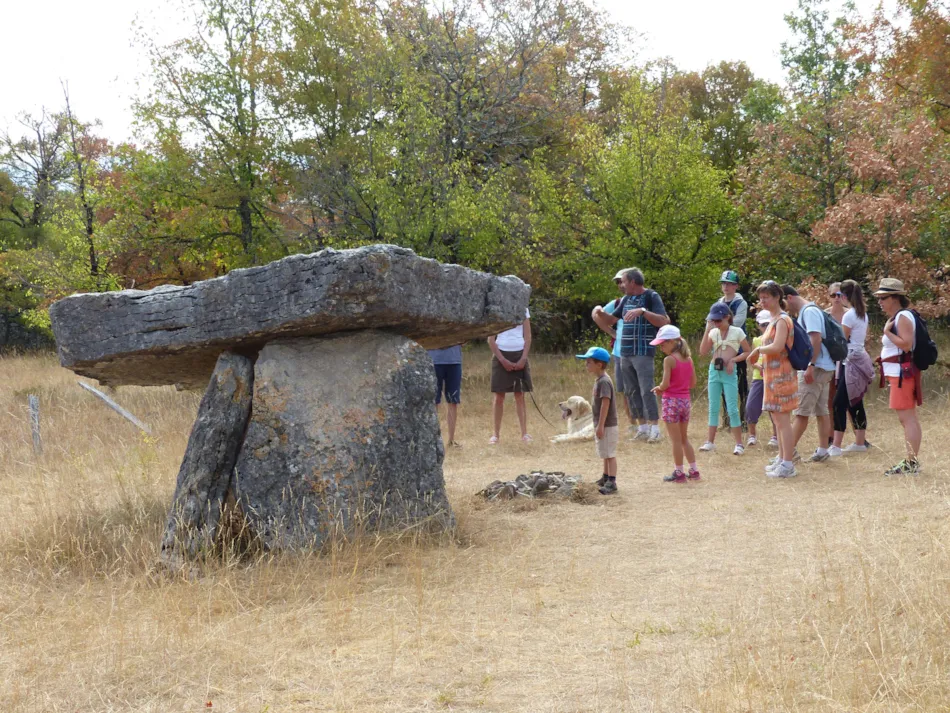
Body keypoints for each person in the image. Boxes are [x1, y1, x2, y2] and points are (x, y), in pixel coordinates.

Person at [594, 268, 670, 443]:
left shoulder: (651, 296)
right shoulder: (626, 299)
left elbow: (663, 321)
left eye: (624, 281)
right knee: (631, 391)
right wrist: (599, 312)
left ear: (633, 282)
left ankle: (655, 428)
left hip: (643, 351)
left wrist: (642, 311)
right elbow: (611, 320)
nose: (621, 285)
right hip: (625, 352)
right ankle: (642, 428)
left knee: (646, 389)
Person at [747, 281, 799, 478]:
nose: (763, 301)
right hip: (772, 376)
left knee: (783, 421)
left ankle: (788, 464)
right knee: (778, 420)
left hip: (782, 376)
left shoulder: (783, 320)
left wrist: (758, 350)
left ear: (777, 297)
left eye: (766, 297)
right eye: (761, 298)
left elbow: (778, 346)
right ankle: (782, 458)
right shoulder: (773, 319)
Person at [874, 278, 923, 475]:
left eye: (883, 297)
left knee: (907, 418)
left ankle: (911, 463)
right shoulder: (900, 316)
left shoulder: (902, 317)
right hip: (899, 375)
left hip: (902, 375)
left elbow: (906, 344)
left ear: (895, 298)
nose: (880, 302)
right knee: (907, 418)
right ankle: (911, 462)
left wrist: (887, 332)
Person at [783, 285, 835, 464]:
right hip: (824, 367)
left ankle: (787, 454)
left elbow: (815, 338)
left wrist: (810, 365)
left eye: (783, 303)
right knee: (821, 410)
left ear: (789, 298)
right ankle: (823, 450)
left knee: (801, 412)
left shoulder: (809, 312)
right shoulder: (811, 310)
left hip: (816, 367)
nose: (784, 308)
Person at [698, 302, 752, 455]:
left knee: (732, 407)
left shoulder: (737, 332)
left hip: (728, 372)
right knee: (713, 407)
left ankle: (739, 444)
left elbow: (747, 351)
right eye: (713, 320)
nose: (716, 323)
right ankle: (710, 442)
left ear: (727, 317)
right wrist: (707, 329)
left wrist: (733, 360)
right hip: (714, 371)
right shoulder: (713, 332)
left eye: (718, 320)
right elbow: (703, 351)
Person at [650, 325, 699, 483]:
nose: (661, 347)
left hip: (671, 401)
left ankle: (679, 472)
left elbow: (665, 384)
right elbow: (693, 383)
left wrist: (660, 388)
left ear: (672, 342)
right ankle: (694, 470)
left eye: (662, 344)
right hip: (685, 401)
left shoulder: (669, 360)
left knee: (676, 440)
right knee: (684, 438)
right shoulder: (688, 359)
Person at [829, 280, 873, 456]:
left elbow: (843, 339)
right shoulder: (862, 314)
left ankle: (836, 445)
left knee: (838, 404)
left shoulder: (849, 316)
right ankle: (859, 442)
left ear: (844, 296)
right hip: (859, 358)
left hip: (850, 362)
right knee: (855, 401)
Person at [591, 269, 636, 432]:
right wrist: (611, 332)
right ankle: (633, 424)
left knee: (640, 388)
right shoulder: (617, 303)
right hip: (619, 353)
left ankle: (646, 424)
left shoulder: (643, 299)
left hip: (638, 352)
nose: (620, 285)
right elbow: (596, 314)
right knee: (625, 391)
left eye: (622, 281)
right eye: (618, 282)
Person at [576, 346, 619, 495]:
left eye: (589, 362)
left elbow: (605, 404)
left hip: (607, 425)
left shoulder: (604, 382)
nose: (586, 364)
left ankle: (612, 482)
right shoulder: (599, 380)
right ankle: (605, 477)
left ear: (599, 364)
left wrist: (600, 425)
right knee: (604, 452)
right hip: (602, 424)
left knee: (610, 454)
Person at [488, 308, 532, 444]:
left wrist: (523, 358)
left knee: (520, 395)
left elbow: (528, 336)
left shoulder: (523, 309)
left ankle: (524, 433)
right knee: (499, 396)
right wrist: (502, 360)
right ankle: (496, 435)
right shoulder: (497, 308)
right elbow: (490, 339)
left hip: (519, 353)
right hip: (501, 353)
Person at [718, 270, 750, 424]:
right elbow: (710, 322)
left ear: (736, 286)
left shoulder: (741, 303)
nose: (726, 286)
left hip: (738, 350)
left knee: (741, 385)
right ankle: (727, 419)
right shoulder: (719, 303)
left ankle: (744, 419)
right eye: (724, 283)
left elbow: (737, 323)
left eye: (730, 284)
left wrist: (719, 324)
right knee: (723, 385)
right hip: (721, 350)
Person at [744, 310, 776, 448]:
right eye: (762, 325)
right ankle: (752, 435)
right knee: (751, 406)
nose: (765, 327)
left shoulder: (777, 339)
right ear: (758, 325)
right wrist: (759, 366)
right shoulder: (757, 340)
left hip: (774, 377)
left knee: (774, 408)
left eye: (767, 324)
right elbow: (752, 360)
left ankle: (775, 436)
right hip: (759, 377)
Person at [427, 344, 463, 447]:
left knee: (453, 401)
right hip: (433, 361)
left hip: (454, 361)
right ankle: (432, 440)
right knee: (433, 402)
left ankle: (451, 440)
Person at [825, 282, 848, 436]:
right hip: (830, 359)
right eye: (833, 295)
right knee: (830, 398)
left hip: (847, 359)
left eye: (839, 295)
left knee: (850, 398)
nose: (836, 298)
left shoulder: (851, 314)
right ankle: (831, 434)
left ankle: (859, 436)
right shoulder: (824, 314)